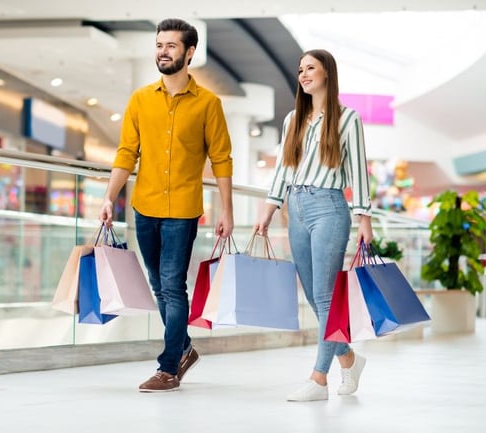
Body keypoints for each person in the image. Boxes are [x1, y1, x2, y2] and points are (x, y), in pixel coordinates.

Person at [99, 18, 234, 393]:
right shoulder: (141, 99)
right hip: (145, 206)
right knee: (159, 285)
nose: (163, 51)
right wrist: (110, 197)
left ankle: (168, 367)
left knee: (173, 286)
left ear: (190, 53)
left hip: (184, 210)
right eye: (159, 45)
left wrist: (228, 210)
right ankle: (185, 349)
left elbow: (222, 158)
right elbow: (127, 152)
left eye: (171, 46)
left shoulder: (208, 103)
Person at [255, 49, 373, 402]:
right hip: (297, 207)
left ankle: (318, 378)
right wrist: (270, 208)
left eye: (311, 68)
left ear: (327, 74)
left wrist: (363, 217)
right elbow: (283, 169)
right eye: (300, 69)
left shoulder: (348, 119)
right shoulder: (294, 119)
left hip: (330, 209)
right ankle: (349, 359)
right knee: (313, 295)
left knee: (325, 296)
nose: (303, 74)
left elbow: (357, 172)